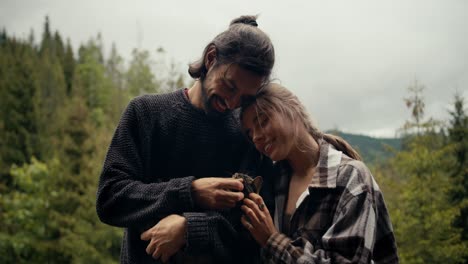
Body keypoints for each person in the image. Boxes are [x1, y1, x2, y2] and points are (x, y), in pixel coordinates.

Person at [96, 15, 275, 263]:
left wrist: (190, 229)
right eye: (230, 86)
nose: (232, 103)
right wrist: (190, 192)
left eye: (245, 98)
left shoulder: (249, 138)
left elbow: (253, 230)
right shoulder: (146, 113)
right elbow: (111, 199)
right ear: (211, 58)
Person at [240, 83, 399, 263]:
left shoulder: (351, 178)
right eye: (250, 133)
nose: (256, 137)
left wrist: (271, 240)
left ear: (292, 110)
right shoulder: (272, 181)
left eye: (262, 121)